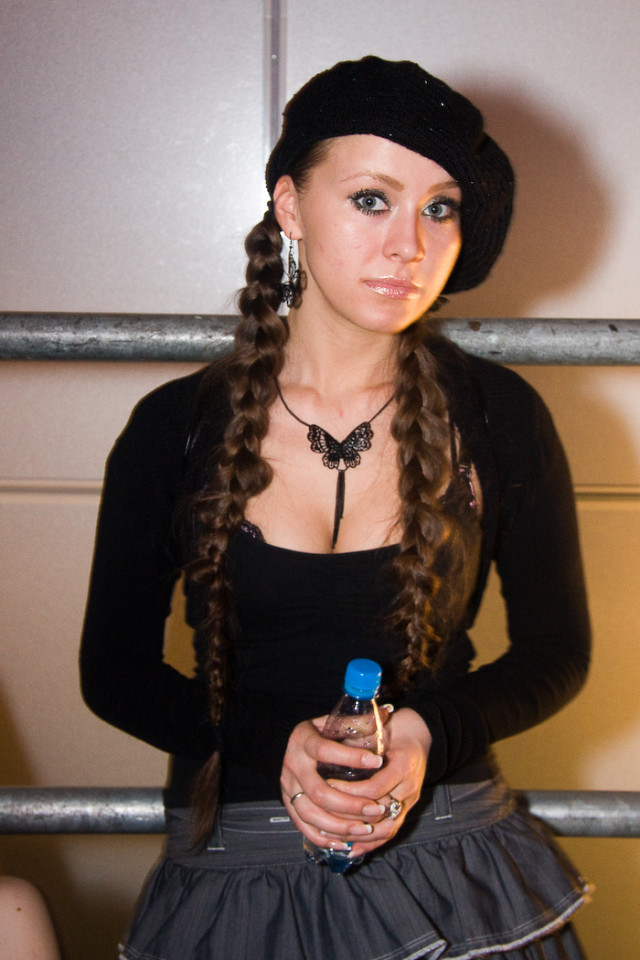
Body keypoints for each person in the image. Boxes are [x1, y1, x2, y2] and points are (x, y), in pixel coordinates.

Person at [80, 56, 592, 959]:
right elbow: (111, 670)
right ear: (290, 205)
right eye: (370, 200)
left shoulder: (498, 415)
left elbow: (558, 652)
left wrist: (429, 733)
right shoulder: (176, 428)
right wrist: (269, 739)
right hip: (237, 875)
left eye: (440, 208)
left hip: (457, 862)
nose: (410, 245)